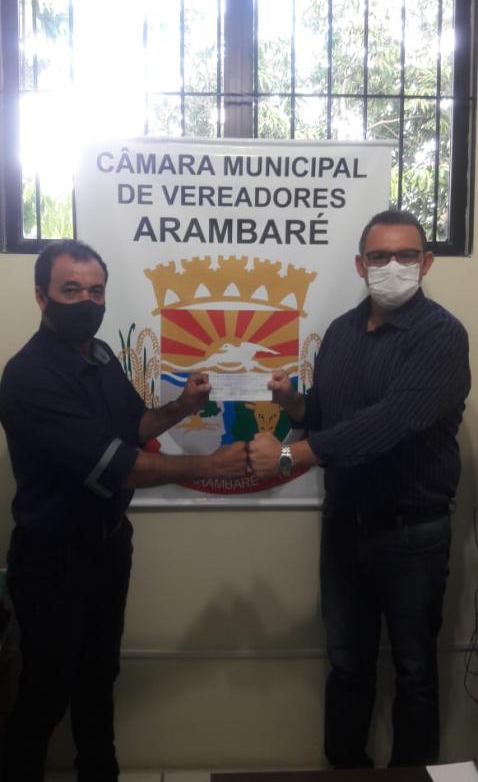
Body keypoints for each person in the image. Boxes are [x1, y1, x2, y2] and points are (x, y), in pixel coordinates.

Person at [0, 239, 247, 782]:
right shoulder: (29, 376)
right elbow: (118, 466)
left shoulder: (100, 355)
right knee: (45, 695)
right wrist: (211, 465)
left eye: (95, 291)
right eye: (70, 290)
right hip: (53, 560)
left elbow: (132, 427)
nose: (86, 301)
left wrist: (182, 407)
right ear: (41, 297)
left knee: (98, 679)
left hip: (108, 547)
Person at [248, 209, 471, 768]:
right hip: (345, 526)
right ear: (360, 264)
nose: (392, 265)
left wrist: (290, 455)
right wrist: (293, 405)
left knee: (415, 673)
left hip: (413, 534)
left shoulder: (442, 335)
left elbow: (391, 422)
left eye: (405, 255)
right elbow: (328, 418)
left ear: (426, 262)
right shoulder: (342, 332)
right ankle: (346, 771)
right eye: (379, 256)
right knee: (346, 666)